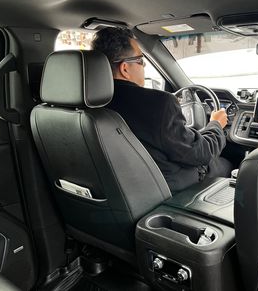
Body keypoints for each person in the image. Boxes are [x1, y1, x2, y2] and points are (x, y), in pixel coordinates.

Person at [91, 27, 232, 193]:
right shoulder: (159, 104)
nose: (144, 66)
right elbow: (201, 154)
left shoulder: (88, 103)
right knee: (228, 164)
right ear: (125, 69)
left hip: (121, 189)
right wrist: (216, 124)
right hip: (169, 190)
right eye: (140, 61)